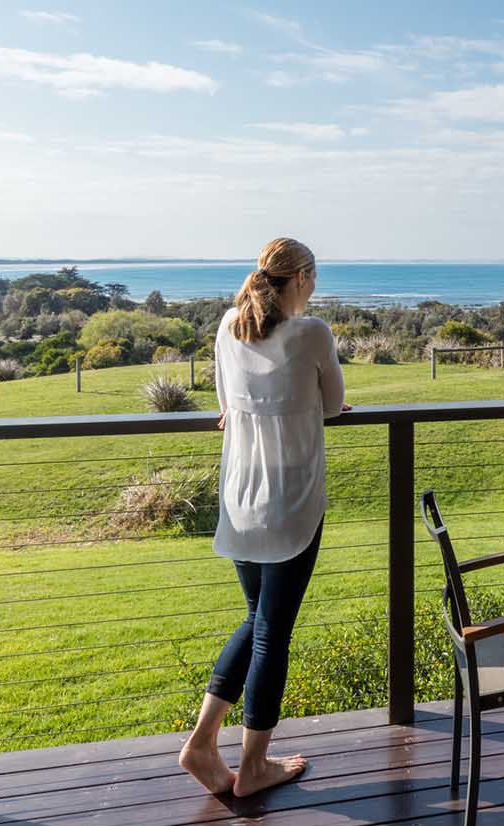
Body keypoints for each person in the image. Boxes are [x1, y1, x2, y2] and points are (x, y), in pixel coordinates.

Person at [178, 237, 350, 797]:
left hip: (241, 494)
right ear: (300, 278)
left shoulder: (230, 325)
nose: (317, 285)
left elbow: (229, 403)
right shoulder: (312, 334)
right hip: (291, 500)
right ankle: (253, 767)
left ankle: (204, 743)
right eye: (315, 275)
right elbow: (329, 407)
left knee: (258, 621)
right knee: (272, 633)